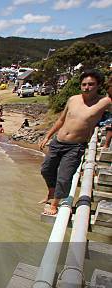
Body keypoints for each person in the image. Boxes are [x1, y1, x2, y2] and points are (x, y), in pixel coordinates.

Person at [38, 69, 111, 215]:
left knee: (64, 176)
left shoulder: (105, 102)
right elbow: (61, 119)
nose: (87, 87)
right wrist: (48, 136)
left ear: (98, 85)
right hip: (58, 141)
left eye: (91, 84)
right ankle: (51, 192)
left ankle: (54, 204)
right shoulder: (73, 99)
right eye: (84, 84)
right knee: (46, 169)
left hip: (75, 146)